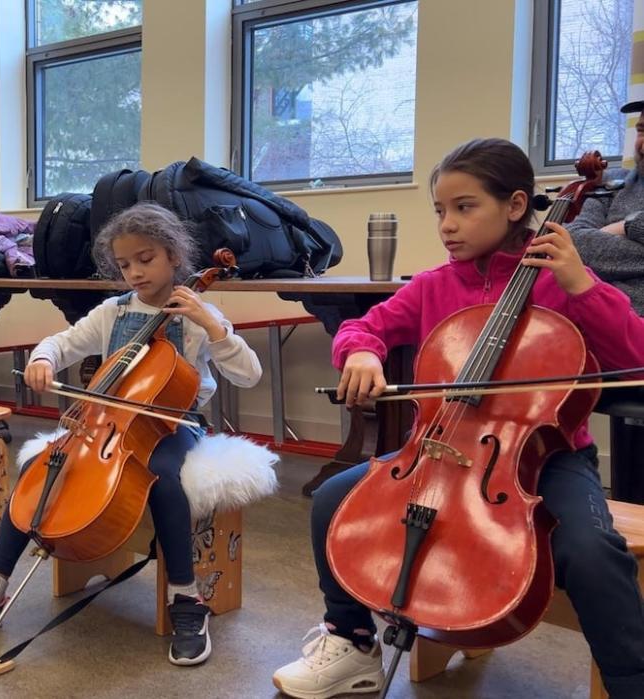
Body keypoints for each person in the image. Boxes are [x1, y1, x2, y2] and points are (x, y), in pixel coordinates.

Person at [271, 138, 644, 698]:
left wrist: (582, 286)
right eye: (441, 210)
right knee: (332, 499)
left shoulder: (560, 282)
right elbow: (364, 327)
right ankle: (350, 642)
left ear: (516, 205)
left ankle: (630, 681)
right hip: (439, 444)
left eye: (465, 207)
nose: (448, 224)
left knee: (591, 553)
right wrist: (363, 353)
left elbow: (634, 355)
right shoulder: (433, 285)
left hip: (550, 458)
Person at [0, 203, 263, 666]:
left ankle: (186, 600)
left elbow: (249, 374)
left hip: (174, 425)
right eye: (125, 265)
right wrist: (44, 359)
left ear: (172, 254)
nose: (135, 273)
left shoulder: (197, 312)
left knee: (165, 478)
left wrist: (213, 325)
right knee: (36, 466)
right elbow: (61, 343)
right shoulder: (113, 312)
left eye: (145, 259)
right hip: (106, 424)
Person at [566, 100, 644, 314]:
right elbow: (574, 243)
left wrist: (627, 225)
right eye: (642, 131)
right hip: (593, 314)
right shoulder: (613, 181)